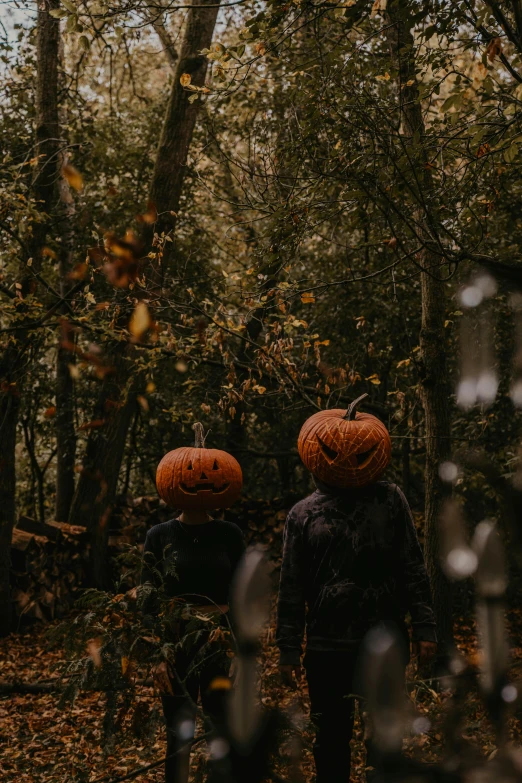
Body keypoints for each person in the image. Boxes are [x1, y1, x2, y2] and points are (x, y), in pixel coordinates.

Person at [276, 476, 437, 783]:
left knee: (384, 737)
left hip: (384, 643)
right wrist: (288, 647)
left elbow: (412, 564)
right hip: (326, 646)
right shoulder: (303, 513)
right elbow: (291, 585)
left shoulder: (390, 498)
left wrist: (424, 626)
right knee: (330, 740)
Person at [141, 505, 245, 783]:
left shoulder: (229, 534)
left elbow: (243, 594)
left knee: (220, 727)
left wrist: (237, 649)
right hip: (175, 647)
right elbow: (148, 600)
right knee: (177, 733)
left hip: (218, 645)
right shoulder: (159, 535)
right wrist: (158, 655)